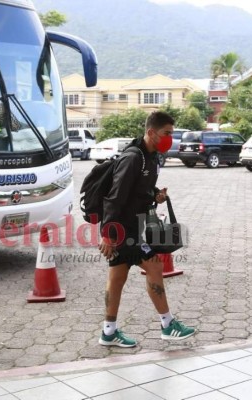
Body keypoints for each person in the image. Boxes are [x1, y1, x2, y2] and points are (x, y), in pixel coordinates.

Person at [98, 111, 196, 347]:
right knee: (154, 266)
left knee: (117, 278)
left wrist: (155, 195)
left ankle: (108, 332)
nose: (170, 138)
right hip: (123, 231)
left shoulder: (150, 157)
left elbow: (140, 188)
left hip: (131, 227)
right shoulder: (133, 158)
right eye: (167, 133)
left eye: (172, 133)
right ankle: (167, 325)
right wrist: (109, 235)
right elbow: (114, 198)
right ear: (151, 132)